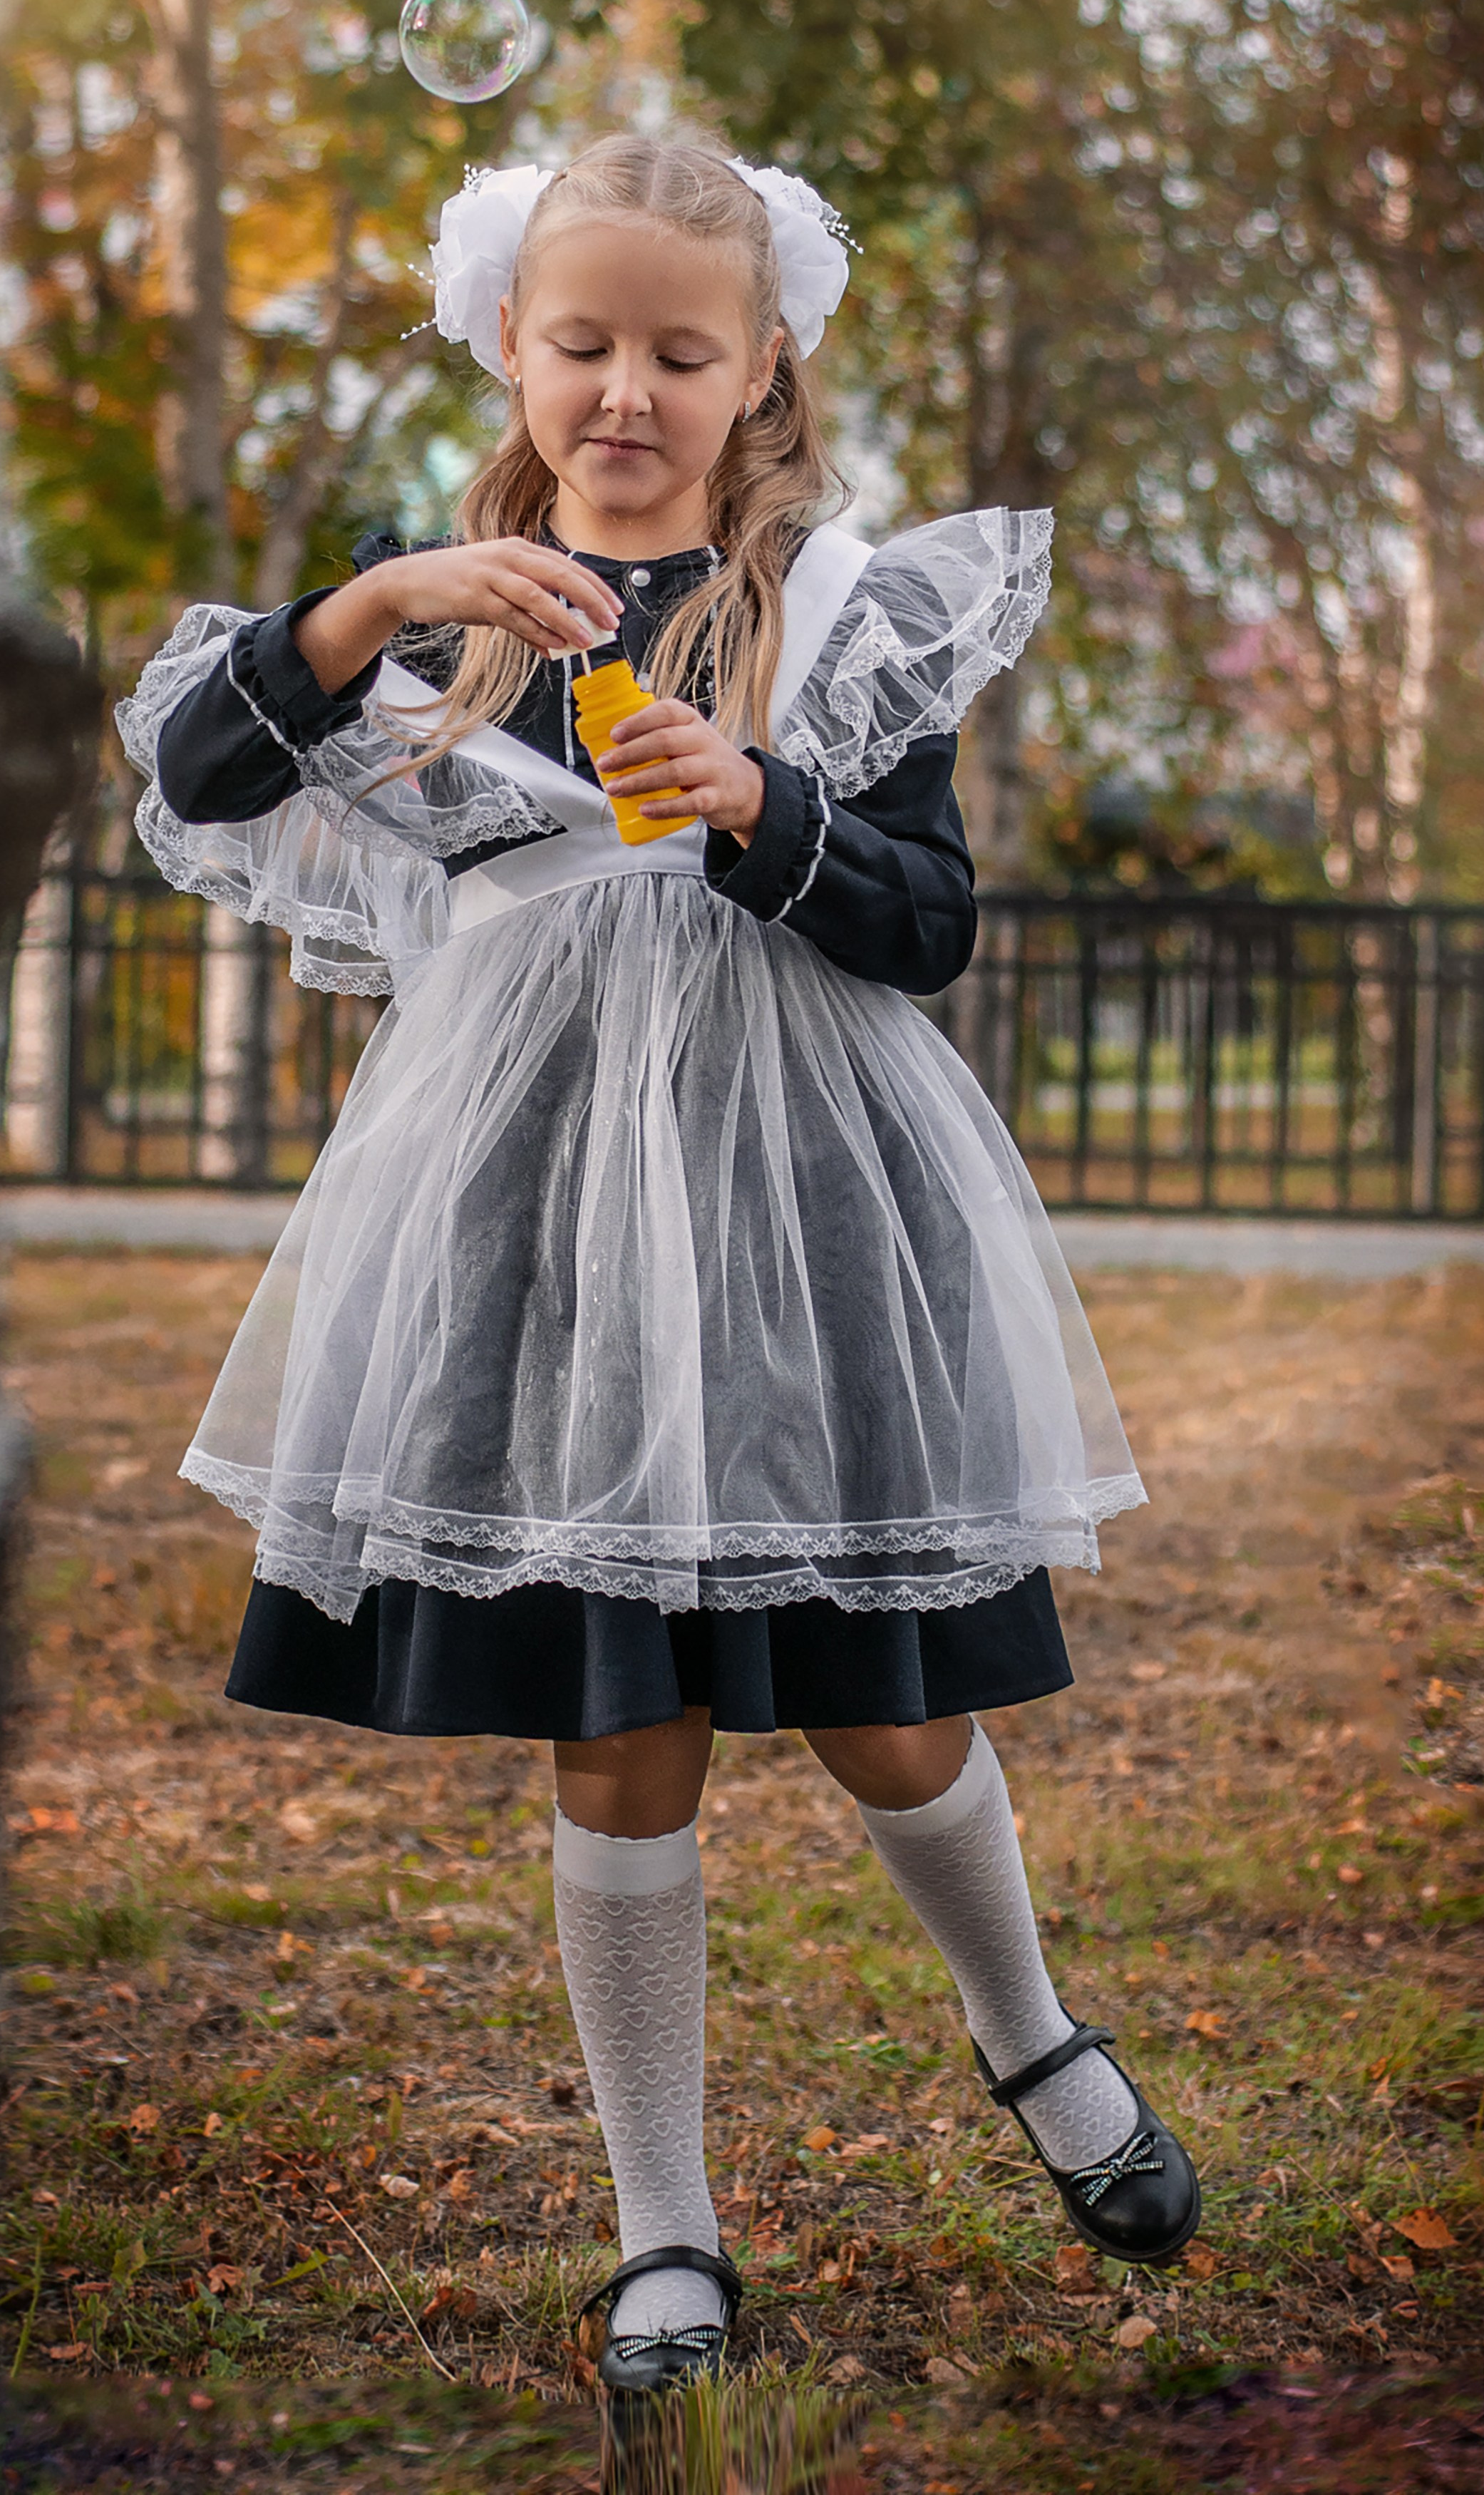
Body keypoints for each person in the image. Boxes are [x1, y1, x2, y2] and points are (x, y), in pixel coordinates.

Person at [118, 133, 1199, 2412]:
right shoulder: (437, 632)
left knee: (892, 1710)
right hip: (540, 1240)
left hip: (802, 1222)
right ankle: (664, 2225)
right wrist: (368, 599)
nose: (626, 388)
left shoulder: (829, 613)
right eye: (582, 342)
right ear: (515, 347)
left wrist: (765, 806)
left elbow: (929, 922)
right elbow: (209, 772)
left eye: (678, 351)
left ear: (759, 362)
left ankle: (1038, 2039)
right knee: (622, 1737)